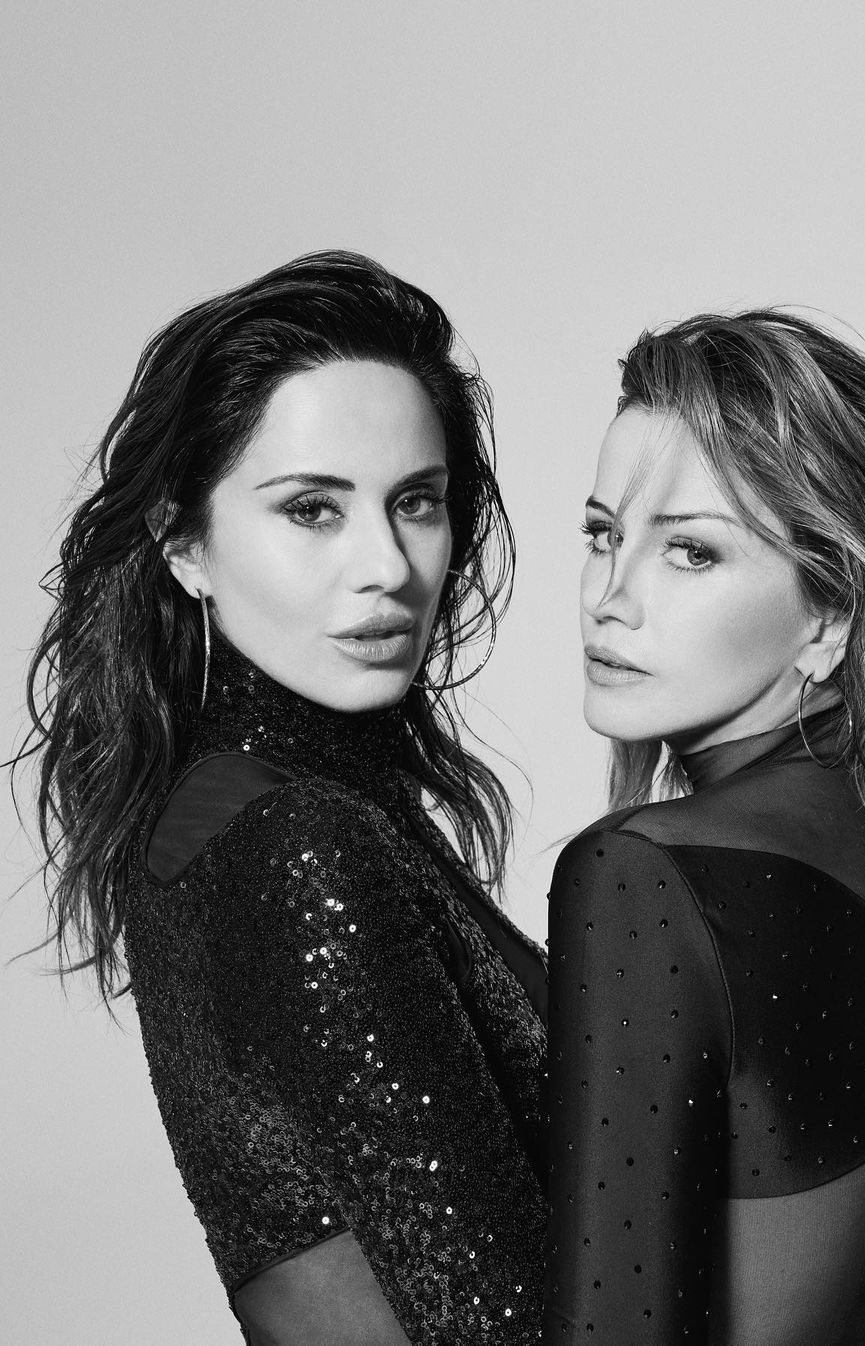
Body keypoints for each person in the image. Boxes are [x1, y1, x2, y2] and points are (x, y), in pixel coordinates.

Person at [21, 251, 548, 1344]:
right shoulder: (295, 838)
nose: (388, 565)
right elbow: (499, 1324)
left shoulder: (230, 809)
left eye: (417, 502)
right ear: (184, 542)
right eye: (312, 509)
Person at [542, 311, 865, 1345]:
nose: (612, 596)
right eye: (604, 534)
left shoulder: (645, 876)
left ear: (832, 614)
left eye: (690, 551)